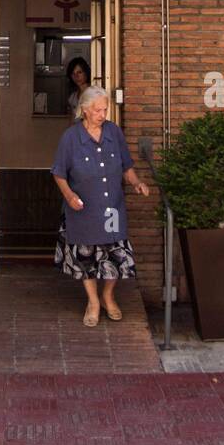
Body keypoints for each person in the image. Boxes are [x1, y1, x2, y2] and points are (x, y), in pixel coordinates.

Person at [51, 86, 150, 327]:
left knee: (117, 252)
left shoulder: (113, 132)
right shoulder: (71, 138)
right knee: (86, 259)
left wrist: (136, 182)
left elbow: (127, 166)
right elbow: (59, 173)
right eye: (97, 110)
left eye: (105, 109)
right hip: (83, 209)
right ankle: (93, 302)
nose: (102, 114)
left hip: (111, 207)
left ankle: (108, 295)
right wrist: (69, 195)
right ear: (84, 110)